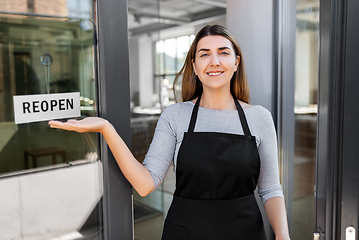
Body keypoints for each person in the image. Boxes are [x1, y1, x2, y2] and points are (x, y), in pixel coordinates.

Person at [49, 25, 290, 240]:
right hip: (185, 232)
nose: (214, 61)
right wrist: (106, 128)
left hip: (245, 233)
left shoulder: (259, 117)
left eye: (223, 52)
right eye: (204, 54)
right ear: (194, 67)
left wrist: (283, 235)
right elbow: (145, 184)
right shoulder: (175, 115)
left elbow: (270, 189)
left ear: (236, 62)